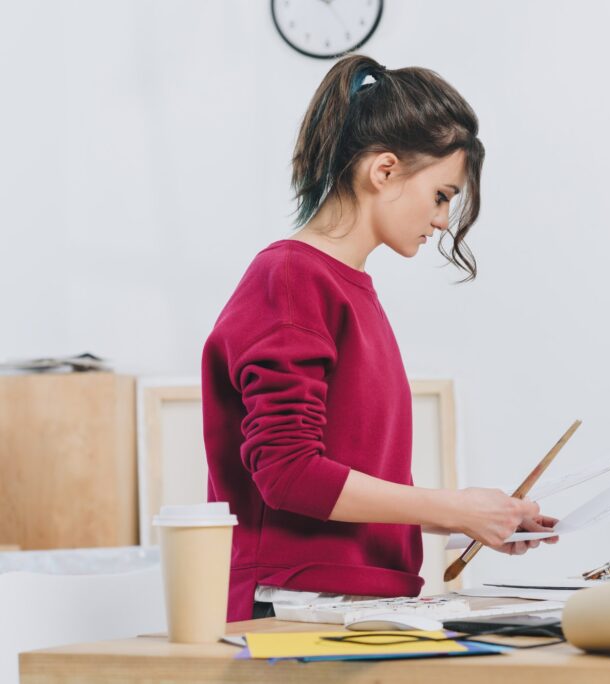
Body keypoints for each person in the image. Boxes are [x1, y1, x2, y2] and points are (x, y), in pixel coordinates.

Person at [202, 54, 557, 622]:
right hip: (295, 607)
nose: (443, 220)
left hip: (346, 602)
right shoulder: (293, 280)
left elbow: (341, 483)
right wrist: (454, 508)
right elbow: (288, 473)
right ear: (384, 171)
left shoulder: (346, 289)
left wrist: (471, 517)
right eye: (441, 194)